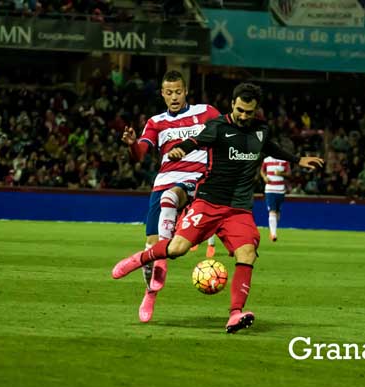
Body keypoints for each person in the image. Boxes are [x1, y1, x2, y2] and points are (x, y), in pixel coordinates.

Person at [112, 83, 323, 333]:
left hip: (239, 209)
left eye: (250, 112)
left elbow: (270, 147)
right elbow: (195, 140)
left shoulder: (261, 130)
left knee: (247, 254)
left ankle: (235, 314)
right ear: (233, 104)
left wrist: (298, 159)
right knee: (177, 248)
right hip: (208, 201)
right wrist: (181, 150)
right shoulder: (218, 126)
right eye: (241, 110)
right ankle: (141, 258)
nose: (245, 116)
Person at [121, 70, 220, 323]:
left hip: (195, 181)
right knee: (150, 249)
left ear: (185, 91)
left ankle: (163, 262)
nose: (174, 97)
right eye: (169, 92)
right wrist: (132, 144)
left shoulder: (206, 113)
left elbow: (227, 134)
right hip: (163, 181)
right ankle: (150, 293)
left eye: (178, 91)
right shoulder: (155, 122)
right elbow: (139, 154)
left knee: (172, 196)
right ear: (162, 94)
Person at [260, 155, 291, 242]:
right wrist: (264, 177)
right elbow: (262, 171)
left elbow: (289, 173)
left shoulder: (284, 160)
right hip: (269, 189)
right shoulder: (266, 159)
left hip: (280, 189)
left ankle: (273, 230)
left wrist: (281, 173)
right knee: (272, 211)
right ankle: (273, 234)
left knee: (277, 212)